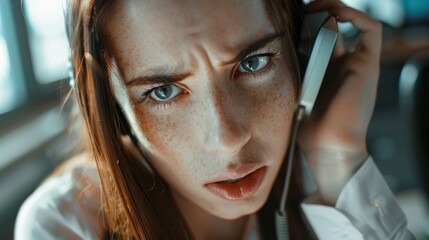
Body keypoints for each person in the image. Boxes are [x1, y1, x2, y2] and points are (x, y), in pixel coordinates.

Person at [15, 0, 415, 239]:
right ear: (114, 108)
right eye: (164, 91)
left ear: (305, 54)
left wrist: (338, 160)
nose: (228, 139)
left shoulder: (320, 179)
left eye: (254, 63)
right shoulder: (66, 224)